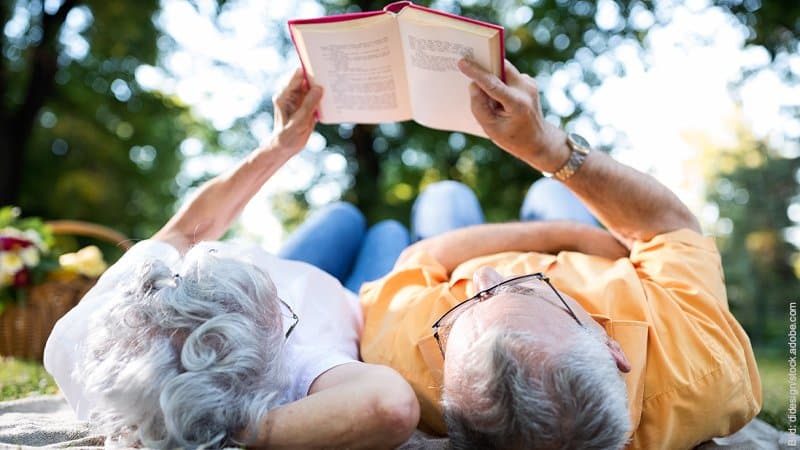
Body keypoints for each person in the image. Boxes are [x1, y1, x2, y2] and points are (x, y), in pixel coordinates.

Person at [358, 59, 762, 449]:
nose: (487, 277)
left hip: (456, 258)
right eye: (528, 290)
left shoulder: (408, 360)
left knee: (445, 194)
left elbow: (420, 260)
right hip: (594, 252)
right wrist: (546, 149)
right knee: (551, 190)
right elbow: (671, 225)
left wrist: (565, 235)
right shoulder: (706, 362)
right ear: (611, 347)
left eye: (466, 311)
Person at [43, 68, 419, 449]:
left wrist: (280, 146)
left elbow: (188, 227)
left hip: (289, 265)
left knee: (343, 216)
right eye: (280, 316)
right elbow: (391, 406)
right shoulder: (286, 380)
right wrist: (226, 432)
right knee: (390, 231)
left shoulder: (78, 337)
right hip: (355, 302)